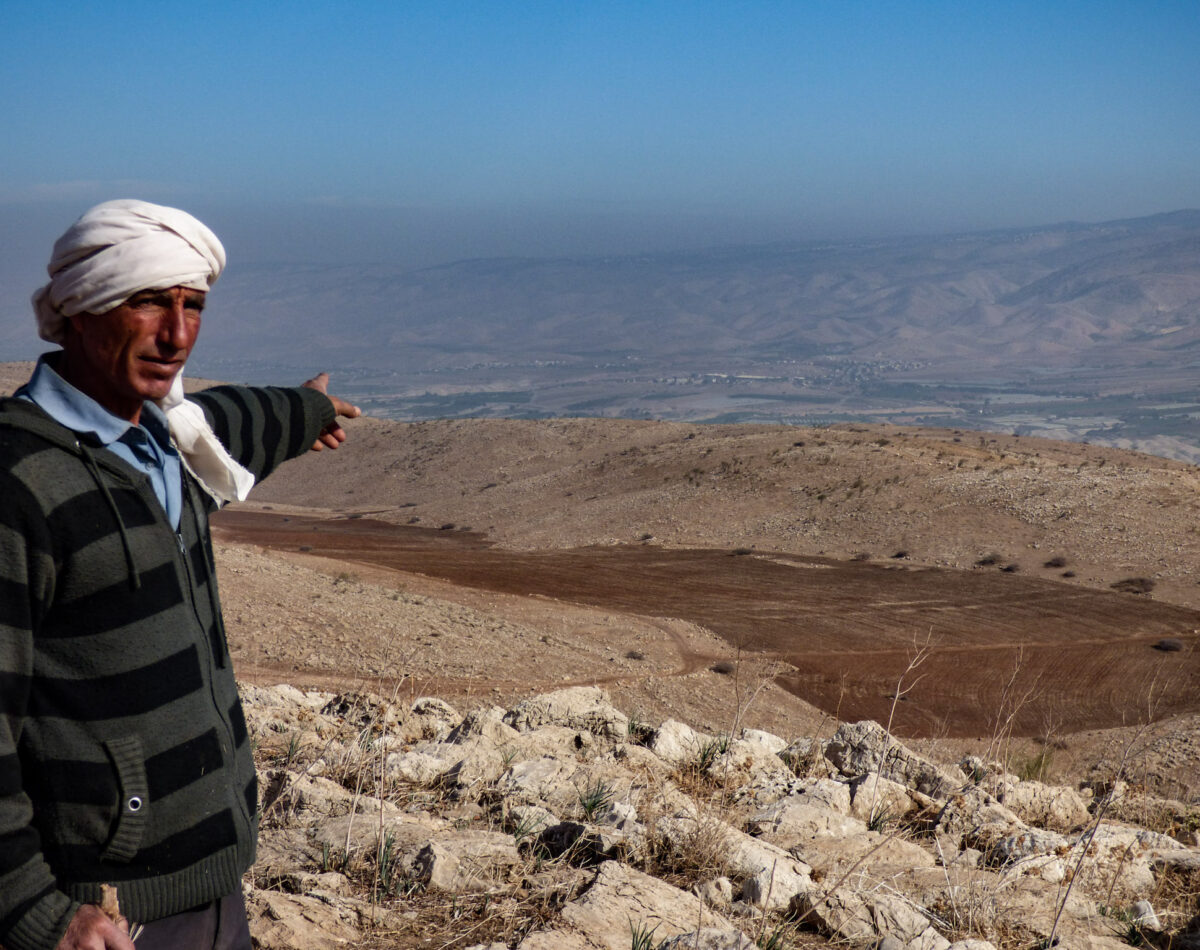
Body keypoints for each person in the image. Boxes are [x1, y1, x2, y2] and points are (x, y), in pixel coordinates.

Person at [0, 200, 361, 950]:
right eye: (148, 303)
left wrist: (307, 407)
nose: (177, 334)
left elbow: (238, 420)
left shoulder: (171, 440)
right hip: (104, 914)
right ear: (81, 307)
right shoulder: (18, 484)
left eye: (192, 306)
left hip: (211, 889)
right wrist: (36, 912)